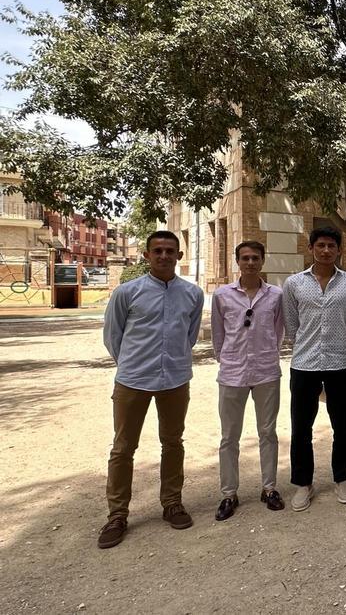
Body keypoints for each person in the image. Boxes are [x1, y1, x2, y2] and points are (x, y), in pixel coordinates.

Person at [98, 230, 204, 549]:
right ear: (146, 255)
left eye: (170, 251)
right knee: (123, 448)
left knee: (173, 442)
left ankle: (172, 503)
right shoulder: (127, 293)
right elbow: (113, 336)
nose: (163, 256)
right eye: (157, 250)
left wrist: (171, 360)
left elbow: (190, 335)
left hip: (174, 379)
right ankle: (117, 514)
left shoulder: (192, 294)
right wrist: (131, 363)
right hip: (133, 380)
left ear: (179, 256)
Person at [283, 226, 346, 512]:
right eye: (321, 245)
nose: (326, 250)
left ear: (339, 250)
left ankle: (342, 478)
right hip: (304, 364)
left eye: (331, 245)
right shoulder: (294, 284)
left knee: (342, 426)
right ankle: (303, 483)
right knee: (301, 427)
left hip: (340, 363)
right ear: (311, 248)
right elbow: (292, 326)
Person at [211, 240, 286, 521]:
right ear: (237, 261)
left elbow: (278, 331)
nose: (250, 262)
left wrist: (266, 353)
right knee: (229, 436)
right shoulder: (221, 296)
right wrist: (228, 357)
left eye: (255, 258)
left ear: (263, 261)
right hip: (232, 373)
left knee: (268, 432)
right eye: (245, 258)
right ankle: (229, 493)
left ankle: (269, 488)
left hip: (266, 370)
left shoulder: (276, 295)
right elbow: (219, 335)